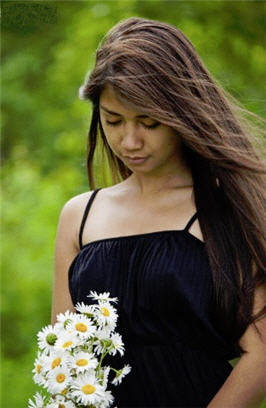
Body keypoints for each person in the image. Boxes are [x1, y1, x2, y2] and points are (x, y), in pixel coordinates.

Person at [51, 17, 266, 407]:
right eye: (113, 120)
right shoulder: (79, 217)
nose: (129, 140)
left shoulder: (224, 210)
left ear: (181, 115)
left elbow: (262, 354)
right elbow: (64, 357)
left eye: (149, 123)